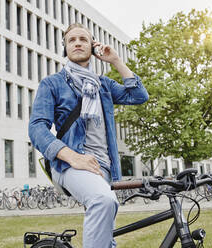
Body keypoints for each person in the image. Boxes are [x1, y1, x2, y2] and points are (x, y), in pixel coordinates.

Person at [28, 23, 149, 248]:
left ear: (92, 47)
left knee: (106, 238)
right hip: (70, 165)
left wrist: (115, 61)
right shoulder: (52, 83)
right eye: (71, 40)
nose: (77, 43)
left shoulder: (103, 85)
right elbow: (36, 128)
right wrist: (72, 156)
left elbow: (139, 96)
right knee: (103, 201)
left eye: (83, 39)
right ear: (64, 47)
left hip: (104, 167)